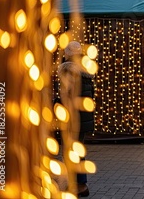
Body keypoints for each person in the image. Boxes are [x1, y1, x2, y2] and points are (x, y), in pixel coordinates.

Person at [57, 41, 95, 197]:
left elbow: (67, 96)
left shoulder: (69, 72)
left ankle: (77, 184)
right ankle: (80, 183)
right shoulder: (85, 72)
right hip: (83, 118)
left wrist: (56, 104)